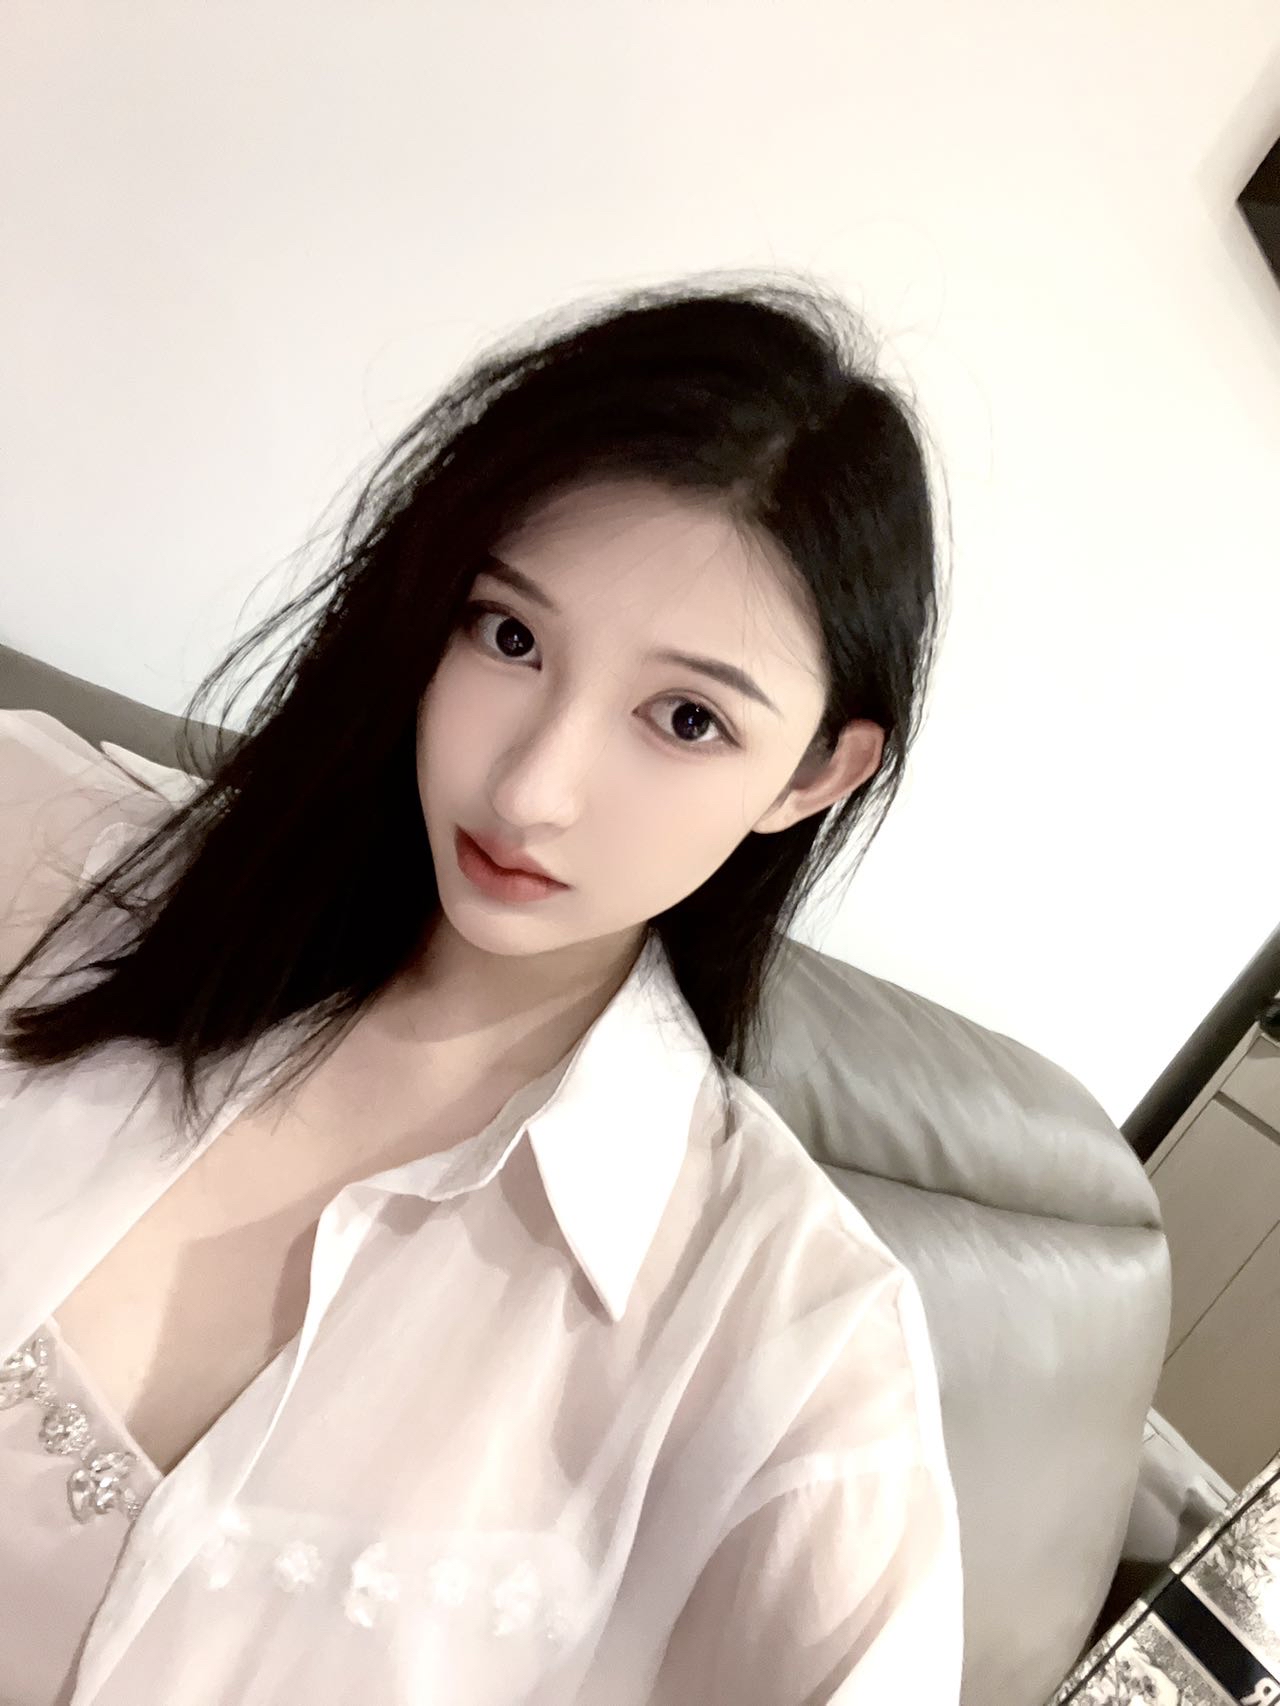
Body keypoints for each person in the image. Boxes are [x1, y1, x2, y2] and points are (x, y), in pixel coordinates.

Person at [0, 273, 963, 1705]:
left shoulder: (792, 1352)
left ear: (818, 772)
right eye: (509, 637)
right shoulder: (36, 845)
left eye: (685, 717)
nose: (531, 787)